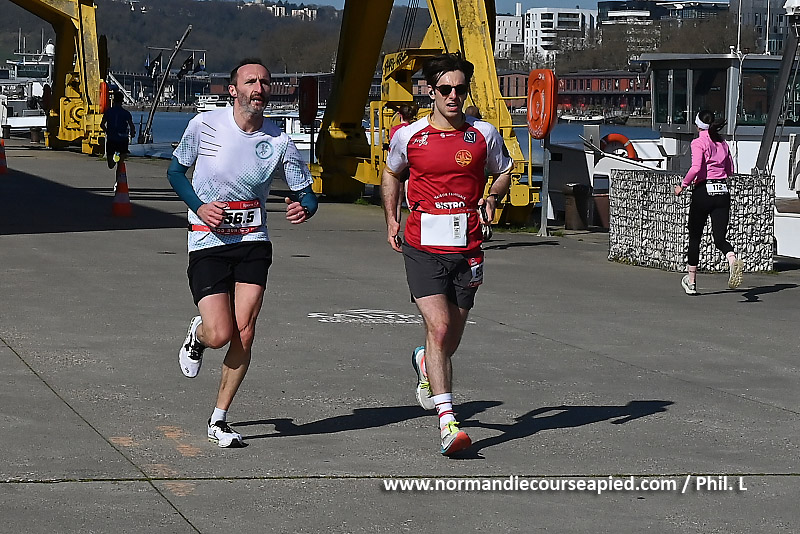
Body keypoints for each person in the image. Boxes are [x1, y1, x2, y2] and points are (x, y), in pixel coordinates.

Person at [168, 58, 318, 448]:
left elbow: (306, 194)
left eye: (265, 82)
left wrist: (304, 207)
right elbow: (175, 173)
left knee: (246, 331)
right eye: (251, 81)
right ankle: (198, 336)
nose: (259, 88)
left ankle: (219, 419)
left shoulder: (279, 141)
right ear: (233, 90)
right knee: (220, 334)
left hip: (253, 242)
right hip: (208, 241)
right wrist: (200, 206)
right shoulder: (204, 125)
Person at [381, 53, 513, 456]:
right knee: (438, 328)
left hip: (468, 247)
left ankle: (425, 362)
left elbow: (504, 170)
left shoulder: (483, 134)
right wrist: (392, 218)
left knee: (449, 338)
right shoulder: (410, 136)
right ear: (431, 91)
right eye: (445, 89)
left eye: (460, 89)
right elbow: (391, 173)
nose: (453, 96)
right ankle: (448, 422)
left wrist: (492, 196)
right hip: (422, 245)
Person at [674, 110, 743, 295]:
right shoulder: (723, 143)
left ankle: (691, 282)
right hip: (722, 192)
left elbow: (696, 168)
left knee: (695, 237)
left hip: (704, 191)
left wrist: (682, 185)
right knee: (719, 238)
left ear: (698, 125)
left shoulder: (698, 142)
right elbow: (730, 170)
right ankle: (732, 260)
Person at [100, 91, 135, 169]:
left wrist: (107, 131)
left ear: (113, 100)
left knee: (110, 165)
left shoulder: (108, 112)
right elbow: (131, 126)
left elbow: (102, 124)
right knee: (121, 161)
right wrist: (132, 133)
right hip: (123, 139)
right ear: (122, 101)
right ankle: (119, 161)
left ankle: (115, 160)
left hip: (111, 138)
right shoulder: (126, 113)